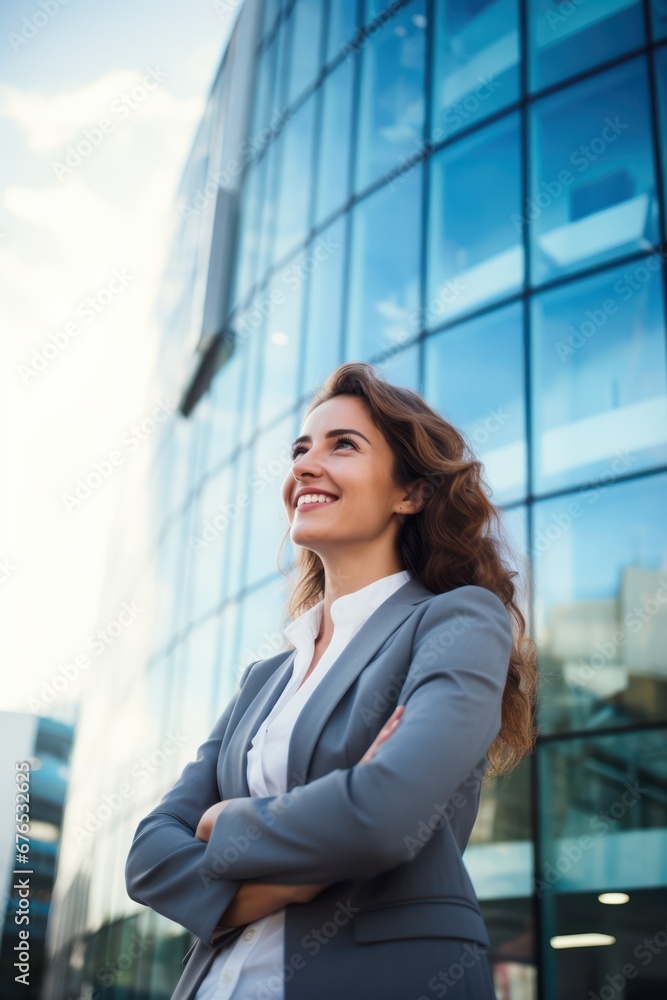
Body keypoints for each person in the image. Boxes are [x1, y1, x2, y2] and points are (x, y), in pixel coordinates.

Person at [125, 361, 537, 1000]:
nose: (305, 466)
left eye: (343, 445)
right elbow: (149, 856)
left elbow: (384, 815)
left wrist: (227, 819)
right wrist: (285, 884)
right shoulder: (266, 678)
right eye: (300, 449)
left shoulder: (458, 621)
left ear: (412, 493)